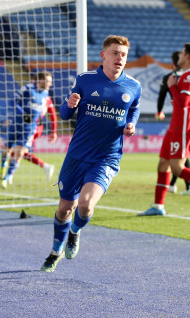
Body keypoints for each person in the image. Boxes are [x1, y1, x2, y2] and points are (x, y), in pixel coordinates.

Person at [40, 35, 142, 272]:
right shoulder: (85, 80)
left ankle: (75, 232)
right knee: (65, 208)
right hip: (77, 155)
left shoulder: (133, 86)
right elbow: (65, 114)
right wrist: (70, 103)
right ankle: (55, 252)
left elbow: (134, 109)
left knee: (85, 206)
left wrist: (131, 124)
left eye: (124, 54)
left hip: (107, 157)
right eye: (115, 53)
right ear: (103, 55)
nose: (120, 58)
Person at [138, 43, 190, 217]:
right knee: (163, 163)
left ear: (187, 57)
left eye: (182, 53)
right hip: (176, 125)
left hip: (183, 127)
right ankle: (158, 206)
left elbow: (185, 102)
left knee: (177, 167)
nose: (179, 55)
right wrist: (185, 101)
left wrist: (173, 88)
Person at [0, 71, 53, 189]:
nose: (51, 84)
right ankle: (3, 168)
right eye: (48, 81)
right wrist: (22, 114)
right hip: (16, 124)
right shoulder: (27, 89)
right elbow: (13, 102)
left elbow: (46, 112)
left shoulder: (45, 94)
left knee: (20, 152)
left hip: (30, 128)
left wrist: (39, 120)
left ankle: (7, 178)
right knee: (7, 149)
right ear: (41, 80)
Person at [155, 51, 190, 196]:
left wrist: (159, 111)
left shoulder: (169, 78)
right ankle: (175, 185)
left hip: (179, 119)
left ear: (172, 63)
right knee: (179, 155)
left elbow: (161, 96)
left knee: (176, 158)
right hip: (189, 117)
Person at [1, 93, 57, 182]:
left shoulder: (46, 98)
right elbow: (24, 112)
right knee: (16, 150)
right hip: (26, 126)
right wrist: (12, 121)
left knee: (19, 150)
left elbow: (53, 115)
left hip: (35, 127)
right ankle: (9, 175)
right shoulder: (30, 94)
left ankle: (9, 175)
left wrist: (53, 132)